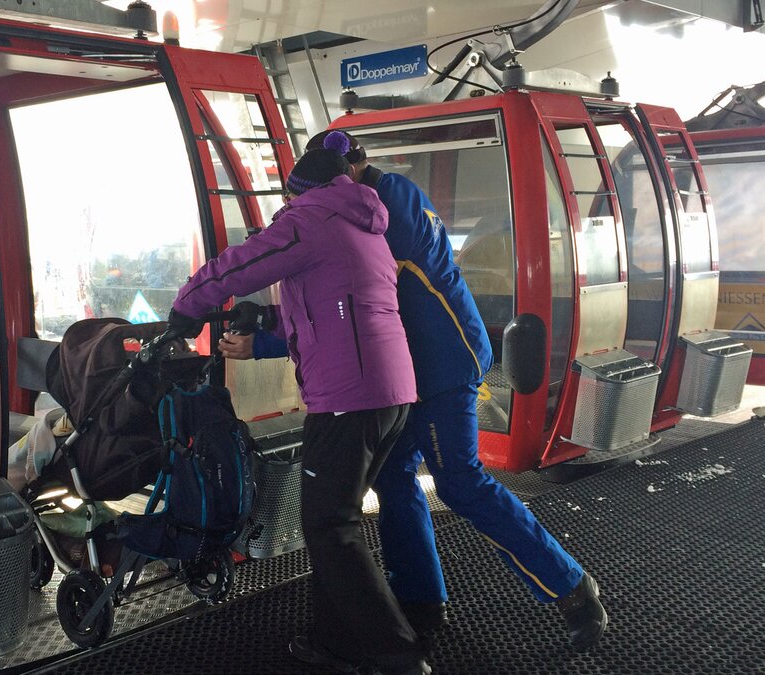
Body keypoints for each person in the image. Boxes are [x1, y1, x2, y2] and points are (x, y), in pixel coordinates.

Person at [219, 130, 608, 653]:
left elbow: (343, 288)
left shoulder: (389, 204)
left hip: (443, 368)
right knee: (396, 480)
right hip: (402, 375)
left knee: (460, 483)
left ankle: (571, 588)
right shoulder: (369, 206)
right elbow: (338, 301)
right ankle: (420, 603)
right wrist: (265, 328)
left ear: (355, 170)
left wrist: (269, 326)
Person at [168, 131, 430, 675]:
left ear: (297, 192)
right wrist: (267, 320)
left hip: (349, 399)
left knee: (330, 526)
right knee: (335, 523)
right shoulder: (364, 223)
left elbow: (242, 265)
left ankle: (397, 655)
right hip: (389, 395)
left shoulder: (311, 218)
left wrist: (187, 307)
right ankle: (338, 645)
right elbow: (335, 306)